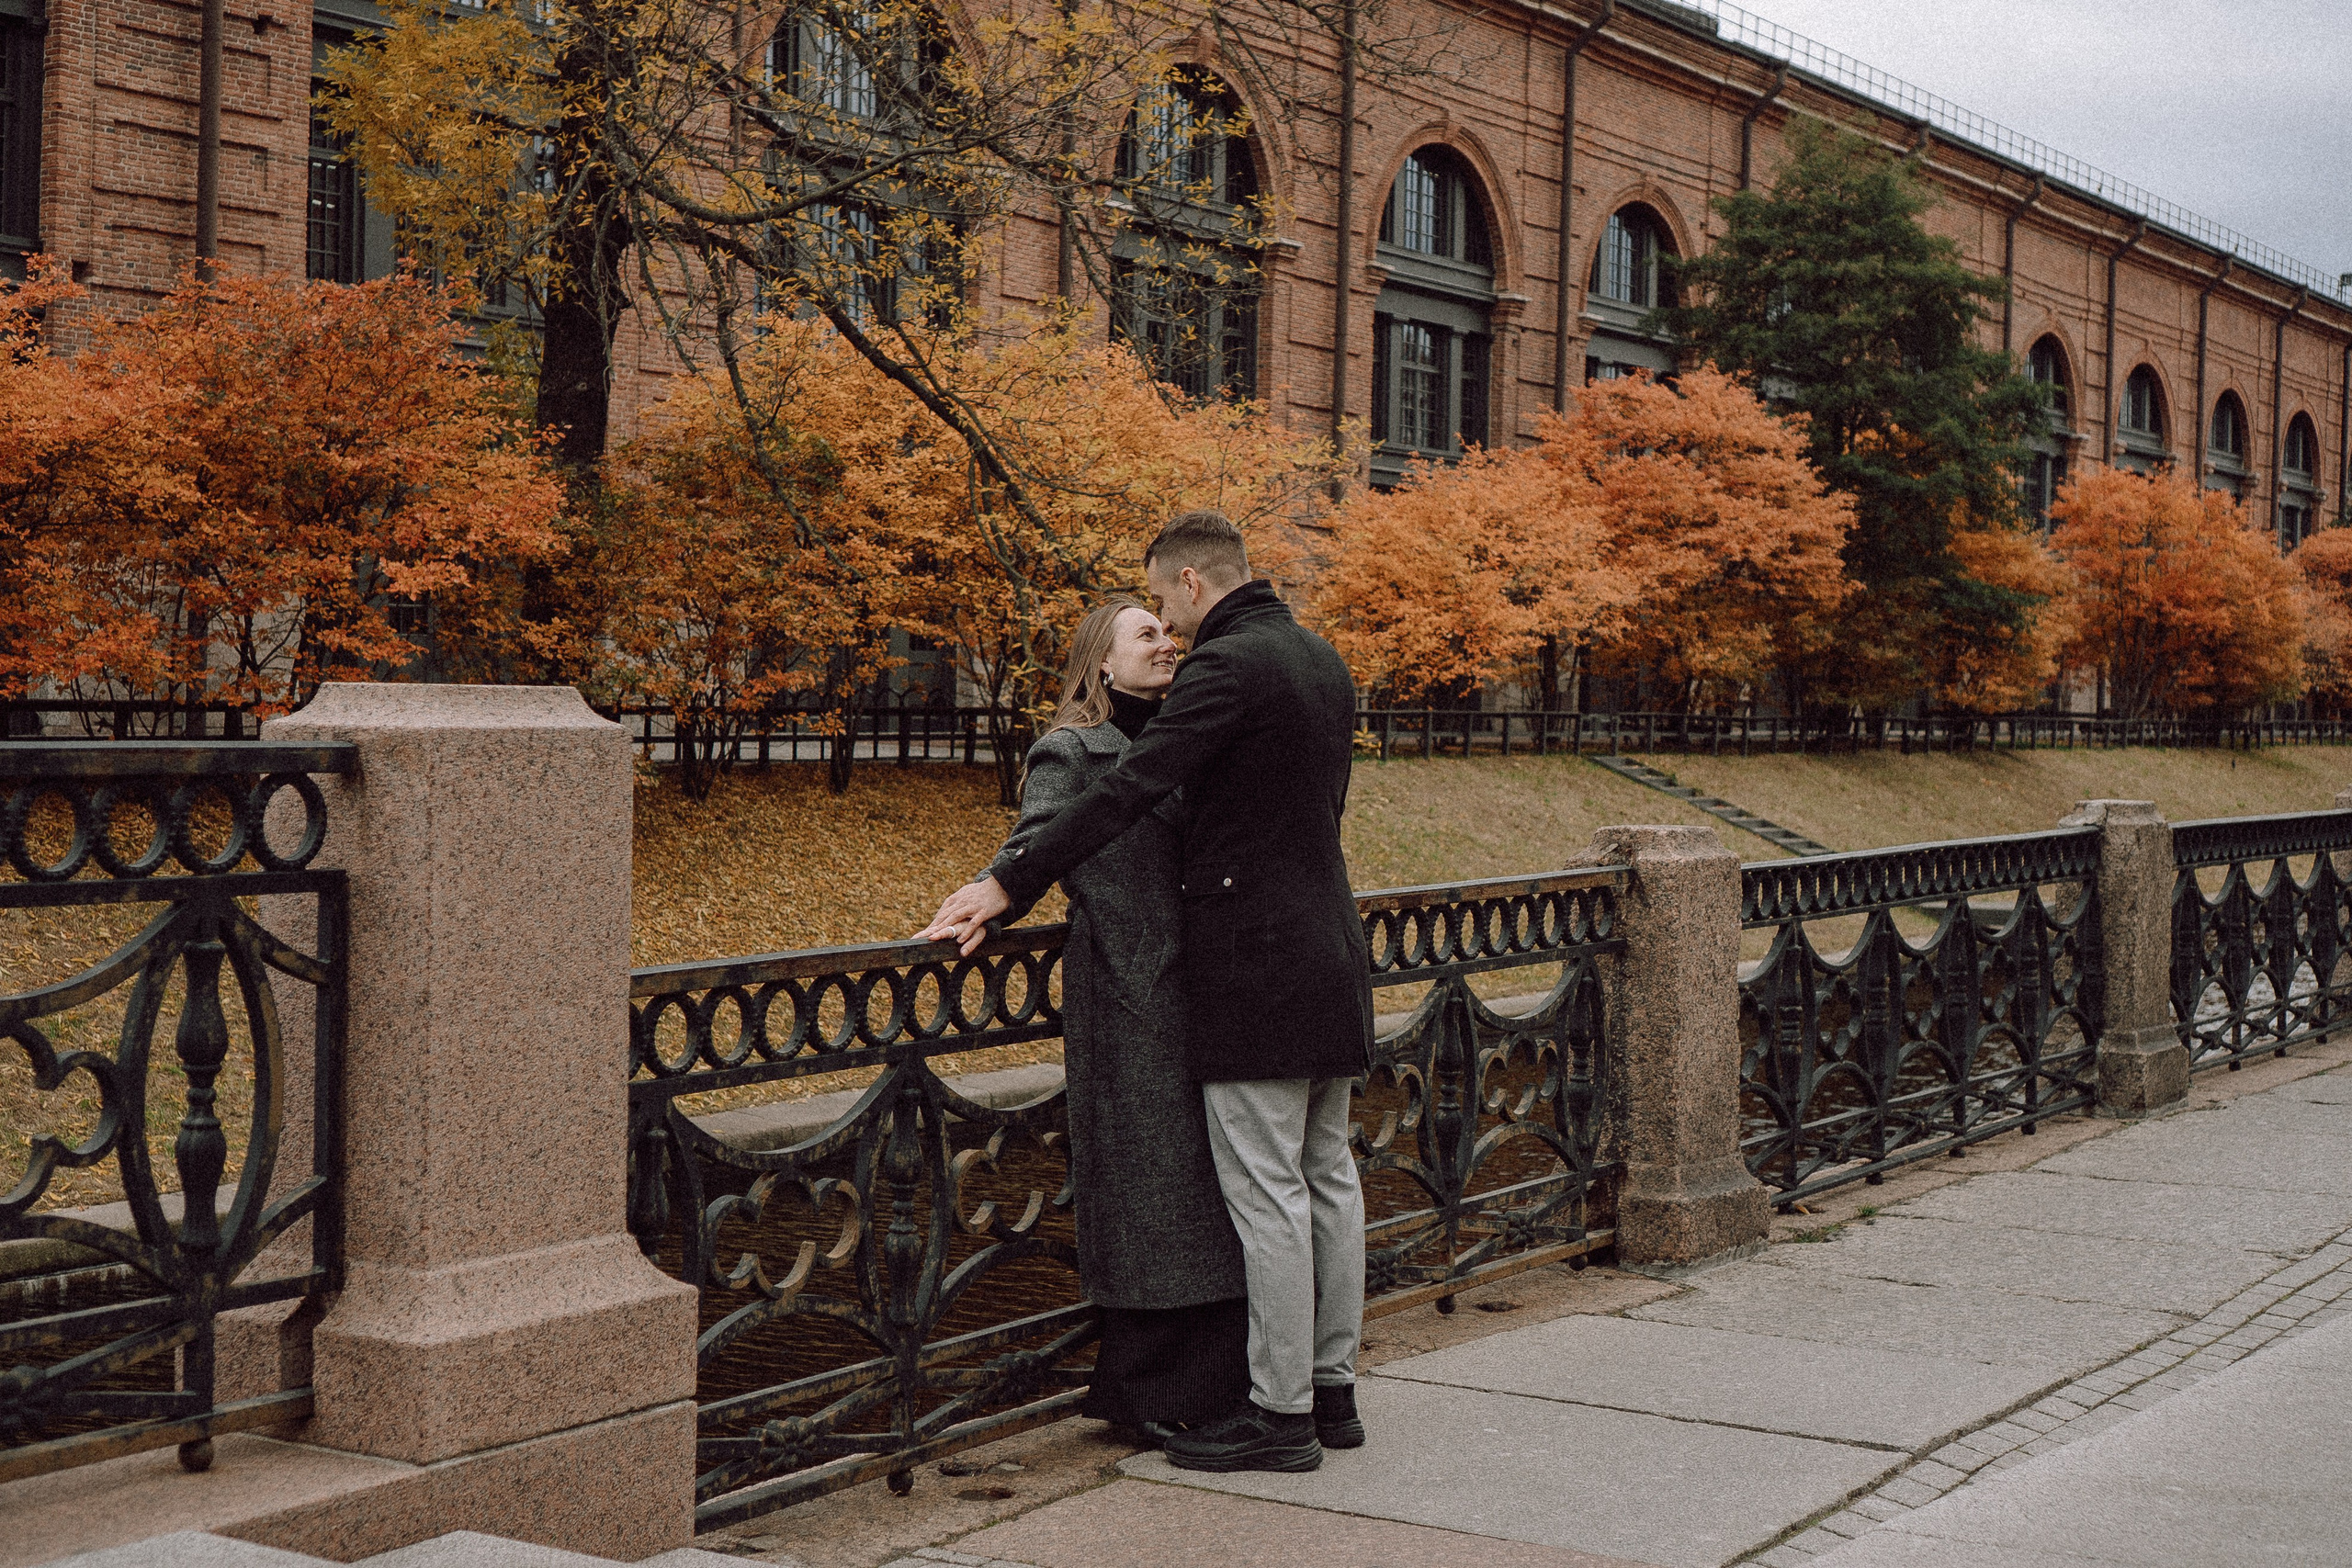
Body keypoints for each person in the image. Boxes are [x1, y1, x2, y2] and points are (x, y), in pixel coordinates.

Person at [923, 510, 1372, 1475]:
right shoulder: (1321, 660)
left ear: (1193, 581)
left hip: (1253, 970)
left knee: (1272, 1195)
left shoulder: (1226, 666)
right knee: (1329, 1178)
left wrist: (1006, 883)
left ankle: (1282, 1415)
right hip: (1331, 952)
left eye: (1166, 601)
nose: (1169, 625)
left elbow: (1130, 790)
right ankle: (1332, 1392)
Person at [978, 599, 1251, 1438]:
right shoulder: (1071, 749)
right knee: (1149, 1191)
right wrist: (993, 892)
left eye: (1169, 633)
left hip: (1200, 989)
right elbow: (1039, 838)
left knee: (1204, 1190)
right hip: (1129, 995)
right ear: (1101, 660)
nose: (1167, 644)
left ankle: (1211, 1386)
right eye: (1146, 634)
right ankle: (1147, 1397)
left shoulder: (1184, 740)